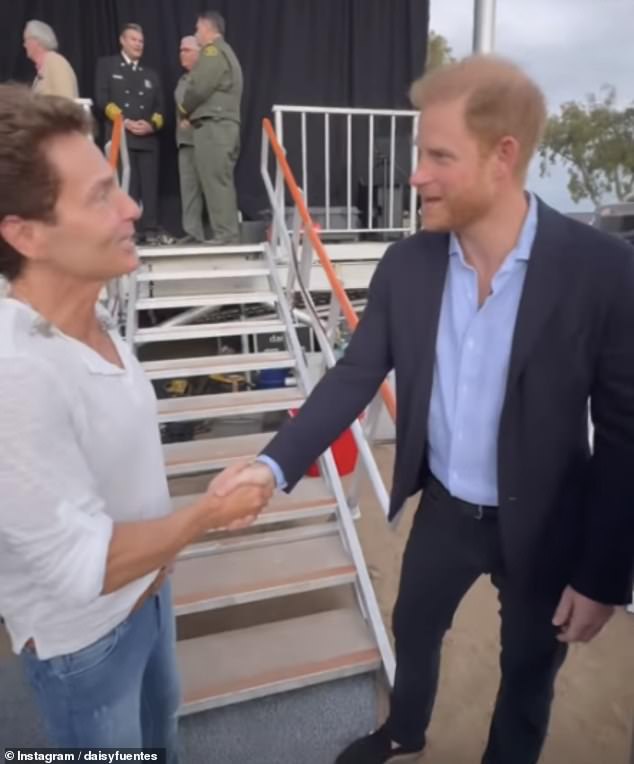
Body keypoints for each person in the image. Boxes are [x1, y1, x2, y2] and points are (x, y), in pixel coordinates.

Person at [211, 56, 634, 764]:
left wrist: (602, 577)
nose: (416, 175)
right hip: (443, 509)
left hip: (546, 522)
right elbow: (353, 377)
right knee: (412, 626)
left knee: (529, 675)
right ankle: (405, 733)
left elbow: (625, 437)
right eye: (419, 153)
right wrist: (272, 465)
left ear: (504, 157)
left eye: (439, 156)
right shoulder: (407, 265)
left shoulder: (603, 271)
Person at [0, 85, 271, 755]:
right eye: (99, 196)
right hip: (86, 642)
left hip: (150, 593)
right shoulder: (16, 374)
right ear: (25, 233)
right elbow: (79, 565)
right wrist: (204, 516)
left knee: (164, 735)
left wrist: (166, 553)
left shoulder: (96, 317)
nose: (133, 207)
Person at [95, 23, 169, 245]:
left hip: (146, 139)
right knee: (126, 187)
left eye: (141, 41)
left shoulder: (151, 75)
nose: (138, 44)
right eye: (134, 39)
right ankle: (126, 231)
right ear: (122, 41)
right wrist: (124, 121)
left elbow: (161, 109)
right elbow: (102, 100)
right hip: (121, 136)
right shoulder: (107, 65)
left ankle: (150, 229)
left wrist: (151, 125)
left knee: (149, 187)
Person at [178, 10, 243, 244]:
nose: (196, 34)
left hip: (215, 127)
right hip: (222, 126)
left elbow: (199, 86)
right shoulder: (225, 52)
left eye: (197, 29)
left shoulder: (212, 51)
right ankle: (226, 232)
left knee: (215, 180)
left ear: (208, 29)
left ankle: (225, 234)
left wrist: (184, 109)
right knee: (219, 179)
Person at [175, 36, 205, 243]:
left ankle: (220, 234)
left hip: (205, 138)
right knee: (189, 189)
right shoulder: (182, 80)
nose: (181, 54)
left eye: (186, 50)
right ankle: (193, 233)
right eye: (180, 50)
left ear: (199, 53)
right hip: (186, 140)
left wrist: (191, 118)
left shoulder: (207, 77)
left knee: (212, 188)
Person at [23, 20, 78, 99]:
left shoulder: (55, 62)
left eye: (26, 40)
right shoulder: (42, 69)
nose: (24, 45)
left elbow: (65, 101)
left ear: (37, 41)